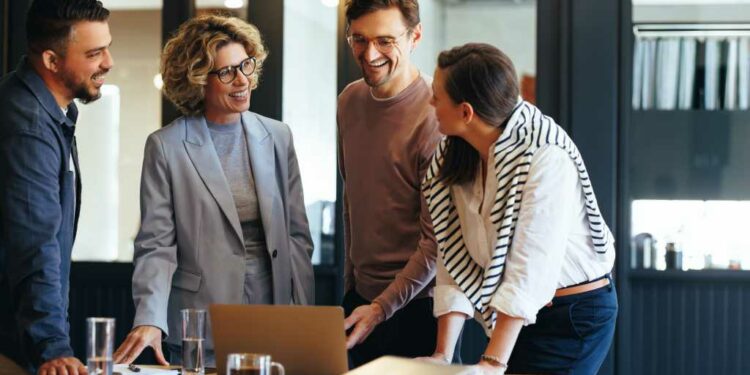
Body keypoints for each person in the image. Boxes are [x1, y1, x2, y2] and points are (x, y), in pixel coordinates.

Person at [113, 14, 314, 366]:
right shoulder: (167, 146)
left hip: (273, 315)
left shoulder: (278, 136)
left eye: (246, 66)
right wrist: (149, 317)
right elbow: (156, 244)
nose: (242, 80)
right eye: (226, 72)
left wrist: (303, 318)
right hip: (200, 320)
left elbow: (297, 237)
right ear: (198, 80)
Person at [422, 43, 617, 375]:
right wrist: (442, 354)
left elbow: (531, 269)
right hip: (520, 315)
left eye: (437, 95)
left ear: (466, 112)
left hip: (572, 316)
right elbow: (453, 254)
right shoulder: (456, 154)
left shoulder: (545, 155)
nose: (430, 102)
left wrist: (492, 362)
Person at [0, 1, 113, 373]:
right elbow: (35, 243)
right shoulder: (28, 125)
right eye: (95, 53)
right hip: (13, 345)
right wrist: (52, 347)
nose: (108, 62)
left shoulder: (46, 111)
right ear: (51, 60)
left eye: (107, 48)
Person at [338, 0, 445, 367]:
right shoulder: (349, 101)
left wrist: (382, 307)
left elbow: (436, 243)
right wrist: (352, 289)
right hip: (358, 302)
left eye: (385, 40)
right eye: (359, 39)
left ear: (415, 36)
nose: (370, 54)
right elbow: (351, 201)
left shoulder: (437, 116)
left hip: (419, 309)